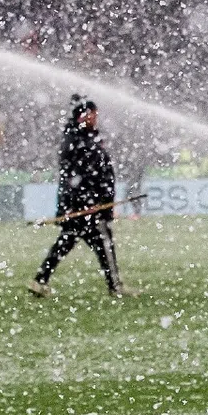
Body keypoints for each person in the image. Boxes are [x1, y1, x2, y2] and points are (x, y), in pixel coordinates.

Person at [30, 95, 127, 298]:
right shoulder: (81, 142)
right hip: (86, 206)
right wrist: (93, 201)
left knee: (67, 242)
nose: (95, 118)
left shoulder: (78, 139)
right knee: (103, 245)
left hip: (80, 205)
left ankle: (40, 280)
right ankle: (115, 286)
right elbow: (84, 176)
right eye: (92, 114)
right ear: (83, 116)